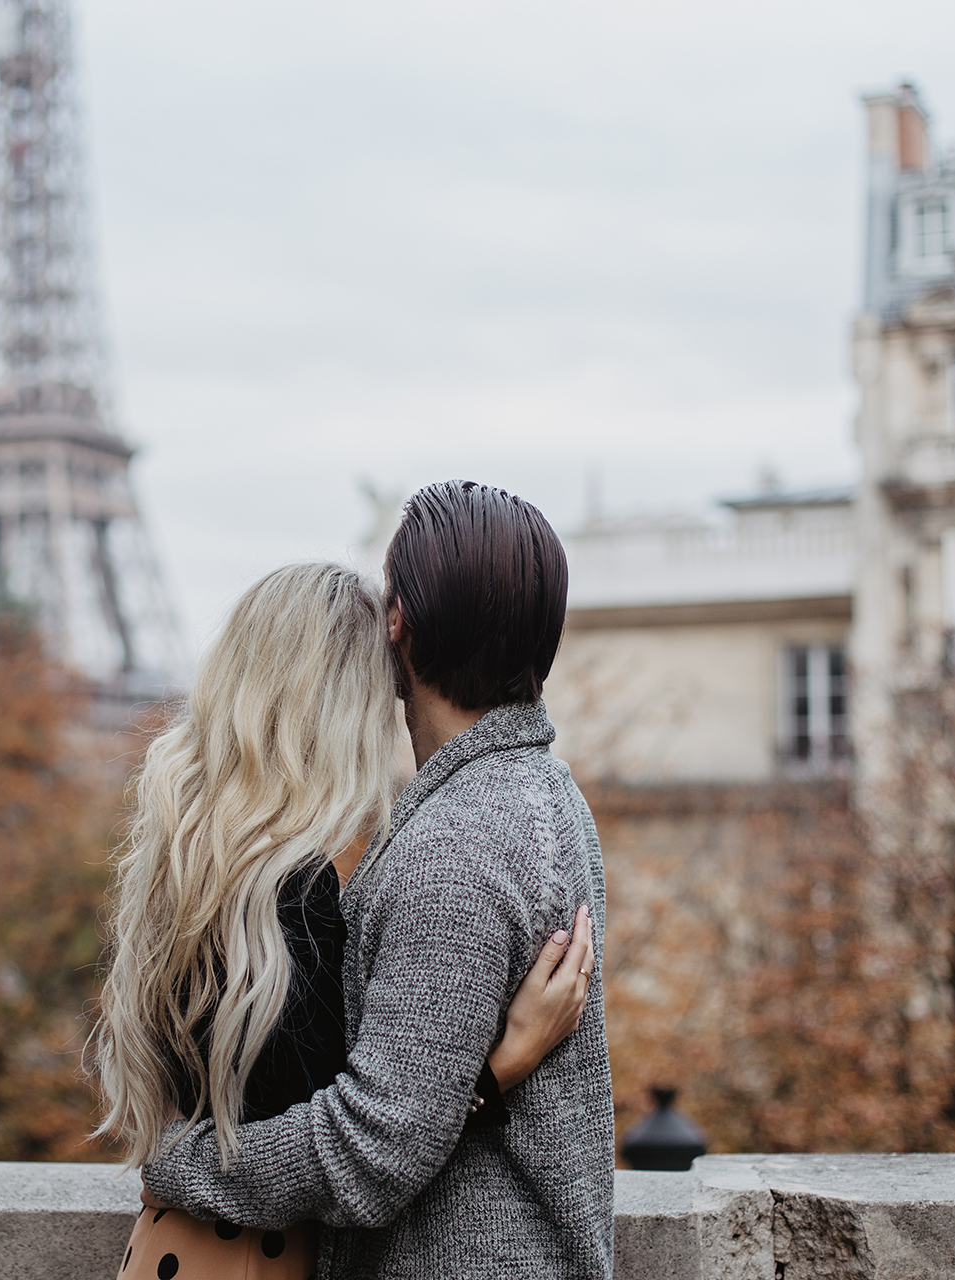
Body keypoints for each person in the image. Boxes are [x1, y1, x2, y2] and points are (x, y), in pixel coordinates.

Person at [137, 481, 614, 1279]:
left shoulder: (456, 846)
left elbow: (374, 1148)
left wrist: (181, 1168)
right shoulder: (545, 793)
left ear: (401, 623)